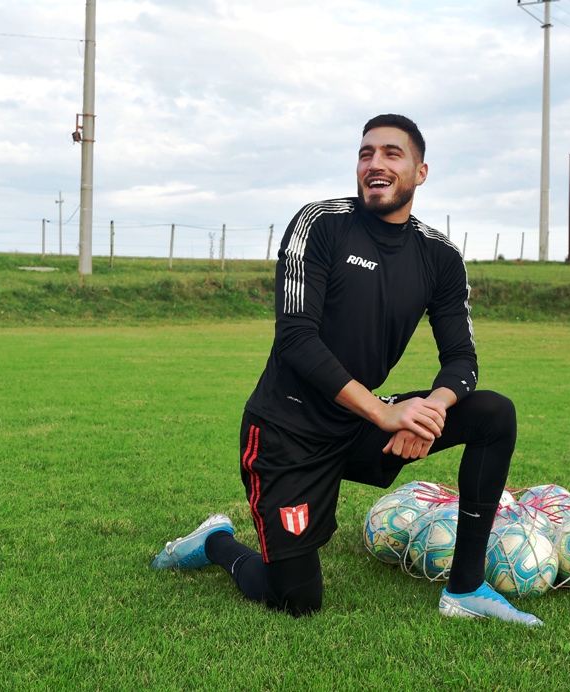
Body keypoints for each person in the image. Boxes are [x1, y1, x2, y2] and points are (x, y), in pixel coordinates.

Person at [151, 114, 540, 626]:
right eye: (365, 153)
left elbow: (462, 361)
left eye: (390, 154)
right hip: (287, 433)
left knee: (493, 412)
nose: (374, 164)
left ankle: (466, 588)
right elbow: (295, 339)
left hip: (355, 425)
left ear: (420, 172)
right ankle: (217, 542)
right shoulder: (322, 223)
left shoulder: (440, 256)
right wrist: (384, 414)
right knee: (296, 600)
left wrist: (429, 413)